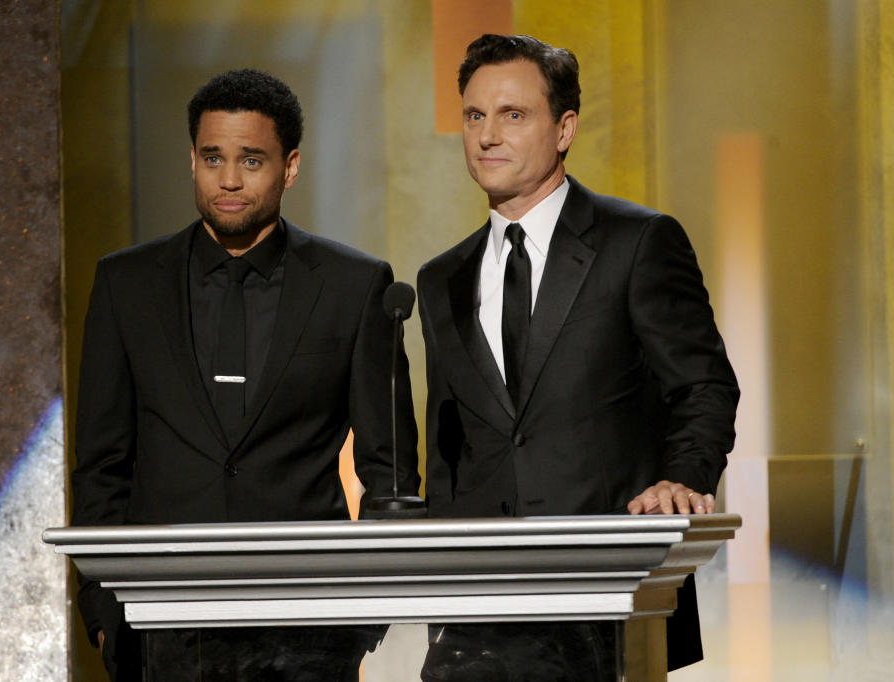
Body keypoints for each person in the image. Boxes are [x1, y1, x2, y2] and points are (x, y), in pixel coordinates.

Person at [70, 68, 420, 681]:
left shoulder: (352, 286)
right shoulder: (126, 284)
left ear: (289, 167)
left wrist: (367, 611)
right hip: (160, 623)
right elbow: (101, 463)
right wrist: (103, 607)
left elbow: (389, 467)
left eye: (251, 160)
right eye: (213, 158)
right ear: (193, 160)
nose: (229, 180)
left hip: (309, 626)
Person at [416, 34, 739, 680]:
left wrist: (682, 480)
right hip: (479, 622)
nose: (487, 136)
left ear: (564, 128)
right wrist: (438, 598)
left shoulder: (638, 243)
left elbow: (704, 386)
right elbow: (451, 453)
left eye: (513, 115)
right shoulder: (439, 279)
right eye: (474, 116)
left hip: (612, 602)